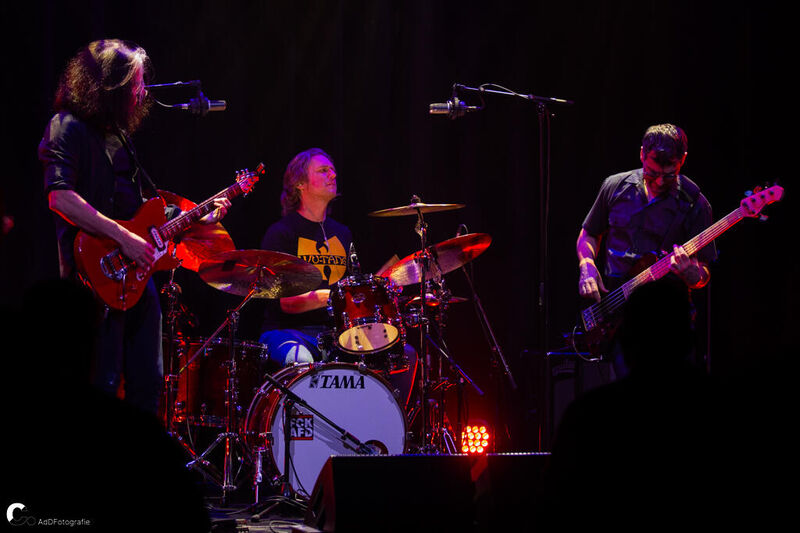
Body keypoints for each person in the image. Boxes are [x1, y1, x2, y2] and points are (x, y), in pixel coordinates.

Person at [38, 39, 230, 415]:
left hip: (136, 279)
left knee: (149, 384)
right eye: (136, 83)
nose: (142, 92)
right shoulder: (66, 127)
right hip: (91, 280)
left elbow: (140, 211)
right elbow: (60, 198)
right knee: (101, 381)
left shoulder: (120, 137)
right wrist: (124, 238)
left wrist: (197, 216)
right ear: (111, 85)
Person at [258, 148, 417, 408]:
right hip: (288, 332)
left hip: (336, 335)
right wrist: (333, 296)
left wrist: (377, 289)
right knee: (301, 360)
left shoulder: (342, 233)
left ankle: (379, 427)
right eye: (323, 170)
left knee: (404, 356)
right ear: (299, 184)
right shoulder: (282, 233)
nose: (333, 175)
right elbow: (287, 304)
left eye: (332, 170)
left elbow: (353, 296)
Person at [576, 123, 716, 377]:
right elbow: (589, 233)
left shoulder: (696, 204)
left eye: (670, 174)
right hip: (616, 317)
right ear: (642, 154)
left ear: (683, 160)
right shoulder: (615, 186)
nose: (660, 181)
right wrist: (587, 265)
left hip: (668, 326)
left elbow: (704, 272)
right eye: (652, 173)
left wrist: (692, 274)